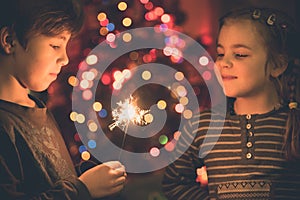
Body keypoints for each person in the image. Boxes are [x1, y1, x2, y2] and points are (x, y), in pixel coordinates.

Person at [162, 7, 300, 199]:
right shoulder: (202, 126)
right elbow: (174, 183)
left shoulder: (293, 125)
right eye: (220, 53)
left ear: (277, 65)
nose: (223, 63)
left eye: (240, 55)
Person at [0, 0, 127, 199]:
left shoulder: (38, 109)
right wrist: (82, 189)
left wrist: (85, 176)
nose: (65, 58)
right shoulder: (5, 125)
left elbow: (46, 179)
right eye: (55, 45)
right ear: (9, 41)